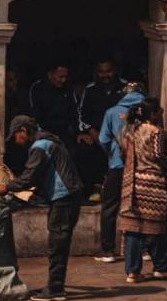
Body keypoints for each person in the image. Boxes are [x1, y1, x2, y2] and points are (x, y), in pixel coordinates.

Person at [0, 115, 84, 301]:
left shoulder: (40, 146)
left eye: (16, 136)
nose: (17, 141)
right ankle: (54, 285)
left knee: (57, 244)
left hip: (64, 198)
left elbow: (29, 178)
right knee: (58, 242)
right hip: (66, 196)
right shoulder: (49, 141)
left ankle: (56, 289)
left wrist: (7, 187)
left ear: (24, 131)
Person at [117, 98, 167, 283]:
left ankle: (132, 272)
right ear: (153, 114)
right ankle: (161, 266)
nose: (161, 114)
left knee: (134, 229)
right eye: (159, 112)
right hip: (153, 185)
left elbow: (122, 154)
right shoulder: (156, 132)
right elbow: (157, 155)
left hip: (132, 185)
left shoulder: (129, 132)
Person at [94, 81, 145, 263]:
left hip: (118, 165)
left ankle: (108, 251)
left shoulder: (112, 112)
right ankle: (144, 249)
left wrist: (114, 155)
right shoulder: (148, 111)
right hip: (142, 167)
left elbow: (103, 139)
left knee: (110, 206)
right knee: (141, 206)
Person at [75, 58, 127, 200]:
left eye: (108, 71)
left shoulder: (125, 87)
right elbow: (82, 114)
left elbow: (131, 112)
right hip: (96, 134)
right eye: (101, 72)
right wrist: (92, 131)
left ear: (114, 70)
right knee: (86, 151)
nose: (105, 75)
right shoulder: (90, 89)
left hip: (120, 135)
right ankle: (95, 188)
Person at [29, 62, 78, 147]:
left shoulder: (68, 88)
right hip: (43, 133)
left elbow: (75, 111)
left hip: (65, 133)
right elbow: (33, 115)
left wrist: (78, 132)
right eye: (60, 77)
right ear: (50, 74)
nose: (63, 80)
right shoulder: (38, 88)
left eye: (65, 77)